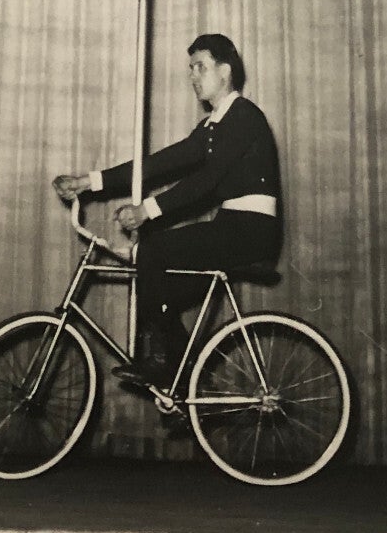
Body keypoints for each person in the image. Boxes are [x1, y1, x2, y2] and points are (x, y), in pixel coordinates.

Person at [53, 33, 282, 384]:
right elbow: (157, 164)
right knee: (158, 284)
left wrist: (146, 210)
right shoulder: (212, 126)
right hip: (233, 227)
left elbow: (206, 180)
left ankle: (163, 366)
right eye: (190, 68)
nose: (192, 76)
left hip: (250, 231)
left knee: (154, 250)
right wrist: (91, 181)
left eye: (200, 67)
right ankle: (183, 381)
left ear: (225, 71)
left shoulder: (243, 116)